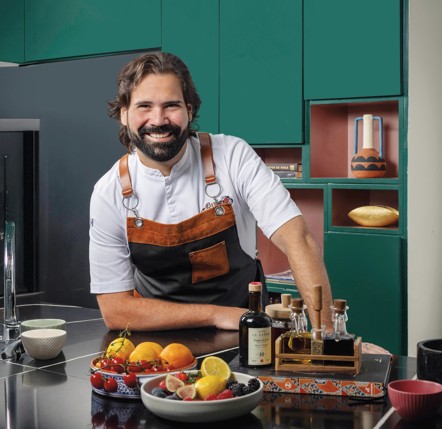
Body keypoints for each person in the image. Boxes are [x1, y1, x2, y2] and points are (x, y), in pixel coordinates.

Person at [89, 51, 333, 333]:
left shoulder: (233, 156)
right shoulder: (108, 193)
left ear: (189, 110)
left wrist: (326, 335)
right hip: (156, 342)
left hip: (247, 333)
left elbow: (298, 240)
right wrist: (216, 315)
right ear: (124, 114)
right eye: (144, 106)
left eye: (171, 105)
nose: (158, 119)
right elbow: (116, 310)